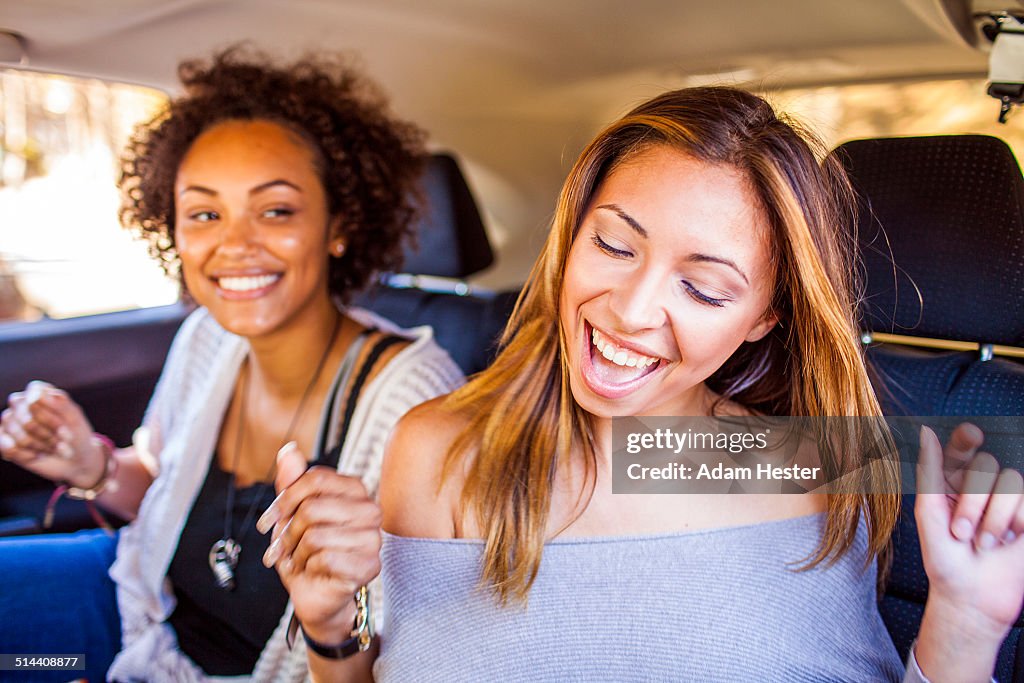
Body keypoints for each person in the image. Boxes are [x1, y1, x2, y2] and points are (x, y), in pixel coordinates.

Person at [263, 86, 1024, 682]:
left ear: (767, 315)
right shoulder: (434, 449)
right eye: (615, 244)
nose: (629, 311)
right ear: (572, 233)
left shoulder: (820, 460)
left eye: (704, 288)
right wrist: (331, 624)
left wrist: (963, 623)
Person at [0, 48, 463, 682]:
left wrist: (329, 625)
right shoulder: (206, 339)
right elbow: (166, 492)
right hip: (138, 623)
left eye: (275, 210)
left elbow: (414, 659)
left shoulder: (418, 401)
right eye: (204, 214)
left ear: (340, 223)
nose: (235, 245)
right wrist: (93, 465)